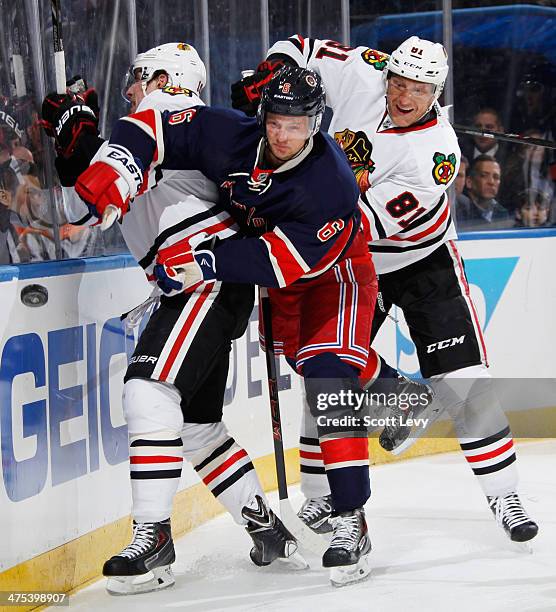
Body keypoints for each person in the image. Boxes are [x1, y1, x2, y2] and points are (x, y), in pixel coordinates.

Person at [74, 65, 377, 587]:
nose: (283, 135)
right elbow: (147, 133)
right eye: (276, 121)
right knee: (195, 423)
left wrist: (206, 263)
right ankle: (266, 528)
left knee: (328, 374)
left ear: (317, 123)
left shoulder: (330, 183)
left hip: (331, 271)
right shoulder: (228, 131)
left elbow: (282, 260)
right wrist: (112, 168)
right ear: (263, 116)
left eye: (297, 124)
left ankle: (351, 513)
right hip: (240, 271)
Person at [231, 35, 539, 544]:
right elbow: (302, 47)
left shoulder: (436, 154)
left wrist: (274, 214)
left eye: (418, 88)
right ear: (386, 73)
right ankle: (323, 494)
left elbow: (354, 220)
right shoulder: (363, 70)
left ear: (436, 92)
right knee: (324, 369)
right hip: (352, 260)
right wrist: (276, 69)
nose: (403, 96)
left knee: (462, 380)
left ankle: (504, 493)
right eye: (398, 82)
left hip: (420, 262)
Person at [41, 43, 305, 595]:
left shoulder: (168, 112)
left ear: (164, 78)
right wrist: (74, 141)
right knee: (194, 425)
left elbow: (100, 193)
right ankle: (267, 530)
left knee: (147, 390)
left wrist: (79, 138)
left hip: (203, 279)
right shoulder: (174, 124)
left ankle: (153, 539)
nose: (129, 89)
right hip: (202, 283)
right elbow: (95, 189)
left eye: (137, 78)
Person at [457, 154, 510, 229]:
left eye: (496, 177)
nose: (491, 182)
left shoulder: (502, 213)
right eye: (484, 175)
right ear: (469, 182)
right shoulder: (459, 209)